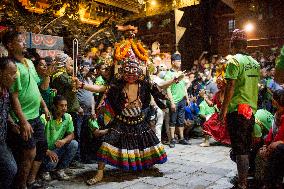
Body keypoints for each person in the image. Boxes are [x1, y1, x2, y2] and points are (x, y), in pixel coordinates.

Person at [85, 26, 168, 185]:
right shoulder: (117, 85)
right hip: (122, 121)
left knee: (146, 144)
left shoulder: (144, 85)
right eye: (127, 73)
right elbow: (101, 88)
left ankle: (144, 167)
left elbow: (160, 86)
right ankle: (99, 174)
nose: (131, 76)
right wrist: (82, 85)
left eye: (133, 73)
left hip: (139, 121)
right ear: (123, 73)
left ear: (138, 73)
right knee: (106, 144)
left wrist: (175, 80)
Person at [3, 31, 50, 189]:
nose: (24, 43)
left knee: (42, 147)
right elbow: (13, 97)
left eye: (24, 40)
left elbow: (37, 87)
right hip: (24, 118)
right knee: (28, 153)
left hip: (36, 115)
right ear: (10, 45)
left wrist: (44, 106)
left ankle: (31, 180)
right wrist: (23, 122)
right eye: (20, 41)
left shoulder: (28, 62)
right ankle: (21, 185)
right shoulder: (11, 66)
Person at [219, 29, 260, 189]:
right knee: (245, 147)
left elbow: (230, 88)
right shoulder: (255, 64)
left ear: (232, 44)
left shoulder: (234, 61)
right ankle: (244, 177)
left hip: (237, 112)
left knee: (240, 149)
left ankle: (242, 183)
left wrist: (222, 111)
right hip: (251, 111)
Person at [40, 95, 78, 181]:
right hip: (44, 151)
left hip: (56, 149)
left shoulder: (68, 117)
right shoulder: (45, 117)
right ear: (54, 106)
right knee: (51, 163)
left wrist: (64, 141)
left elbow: (71, 135)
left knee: (74, 144)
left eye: (66, 105)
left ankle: (60, 170)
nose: (64, 108)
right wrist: (47, 151)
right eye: (61, 105)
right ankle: (44, 171)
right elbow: (38, 139)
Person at [165, 53, 190, 148]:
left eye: (180, 61)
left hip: (182, 100)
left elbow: (184, 86)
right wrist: (171, 102)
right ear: (173, 62)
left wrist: (186, 98)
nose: (180, 62)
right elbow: (167, 89)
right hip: (174, 100)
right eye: (178, 61)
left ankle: (182, 138)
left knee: (181, 119)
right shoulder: (169, 74)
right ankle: (172, 139)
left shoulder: (181, 73)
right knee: (172, 120)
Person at [200, 66, 230, 147]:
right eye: (217, 83)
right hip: (219, 114)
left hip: (229, 114)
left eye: (220, 83)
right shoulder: (217, 94)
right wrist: (204, 97)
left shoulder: (230, 93)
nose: (218, 85)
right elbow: (211, 104)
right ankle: (206, 141)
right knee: (207, 123)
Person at [0, 57, 18, 189]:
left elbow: (4, 112)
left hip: (2, 139)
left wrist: (12, 123)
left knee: (10, 169)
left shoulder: (5, 91)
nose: (15, 77)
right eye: (11, 73)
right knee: (10, 168)